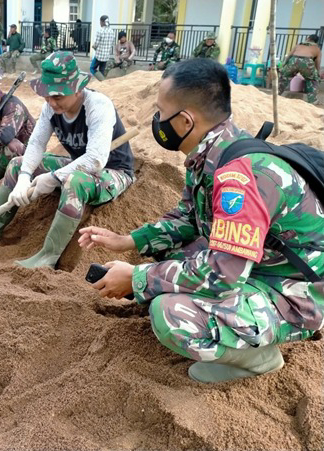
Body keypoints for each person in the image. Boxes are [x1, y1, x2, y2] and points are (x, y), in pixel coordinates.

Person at [79, 58, 324, 383]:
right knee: (173, 254)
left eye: (160, 111)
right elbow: (189, 218)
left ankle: (259, 357)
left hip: (297, 294)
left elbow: (224, 273)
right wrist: (129, 241)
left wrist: (137, 278)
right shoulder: (217, 151)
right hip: (265, 264)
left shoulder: (240, 177)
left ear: (183, 121)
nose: (157, 120)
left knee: (168, 315)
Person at [0, 52, 134, 269]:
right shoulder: (51, 106)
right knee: (18, 164)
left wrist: (53, 177)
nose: (51, 102)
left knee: (74, 181)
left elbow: (96, 160)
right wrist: (23, 177)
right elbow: (37, 144)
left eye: (57, 96)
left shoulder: (98, 106)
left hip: (112, 171)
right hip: (79, 163)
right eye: (47, 96)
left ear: (77, 89)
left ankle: (47, 257)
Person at [278, 34, 322, 104]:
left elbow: (288, 56)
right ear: (316, 42)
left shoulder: (298, 45)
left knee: (284, 77)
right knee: (313, 80)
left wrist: (284, 66)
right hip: (307, 62)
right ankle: (312, 100)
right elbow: (317, 63)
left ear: (308, 38)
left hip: (293, 60)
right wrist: (317, 73)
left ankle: (276, 93)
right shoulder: (317, 49)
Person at [91, 15, 115, 81]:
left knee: (92, 68)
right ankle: (101, 83)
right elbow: (112, 43)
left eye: (100, 22)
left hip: (99, 55)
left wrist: (93, 46)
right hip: (106, 55)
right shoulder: (112, 31)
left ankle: (102, 81)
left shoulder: (100, 31)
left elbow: (96, 44)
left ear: (102, 22)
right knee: (101, 70)